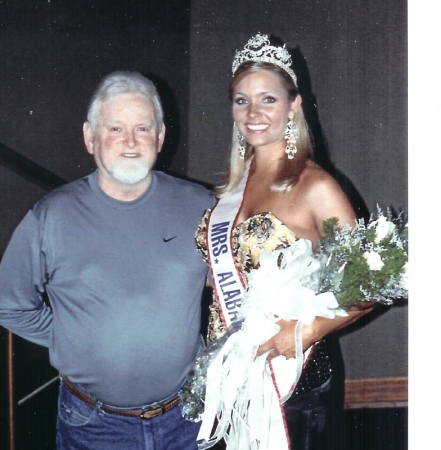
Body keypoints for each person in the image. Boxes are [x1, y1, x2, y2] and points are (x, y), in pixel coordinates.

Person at [0, 71, 214, 449]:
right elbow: (9, 305)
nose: (130, 142)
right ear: (90, 137)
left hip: (188, 416)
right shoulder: (51, 217)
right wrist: (71, 338)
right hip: (93, 425)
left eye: (143, 129)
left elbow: (229, 287)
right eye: (115, 128)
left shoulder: (201, 206)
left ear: (160, 137)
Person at [195, 34, 375, 449]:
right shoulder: (231, 188)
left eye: (268, 99)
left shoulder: (316, 186)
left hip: (291, 375)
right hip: (232, 374)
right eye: (241, 100)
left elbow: (369, 288)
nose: (253, 113)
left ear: (293, 104)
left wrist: (304, 333)